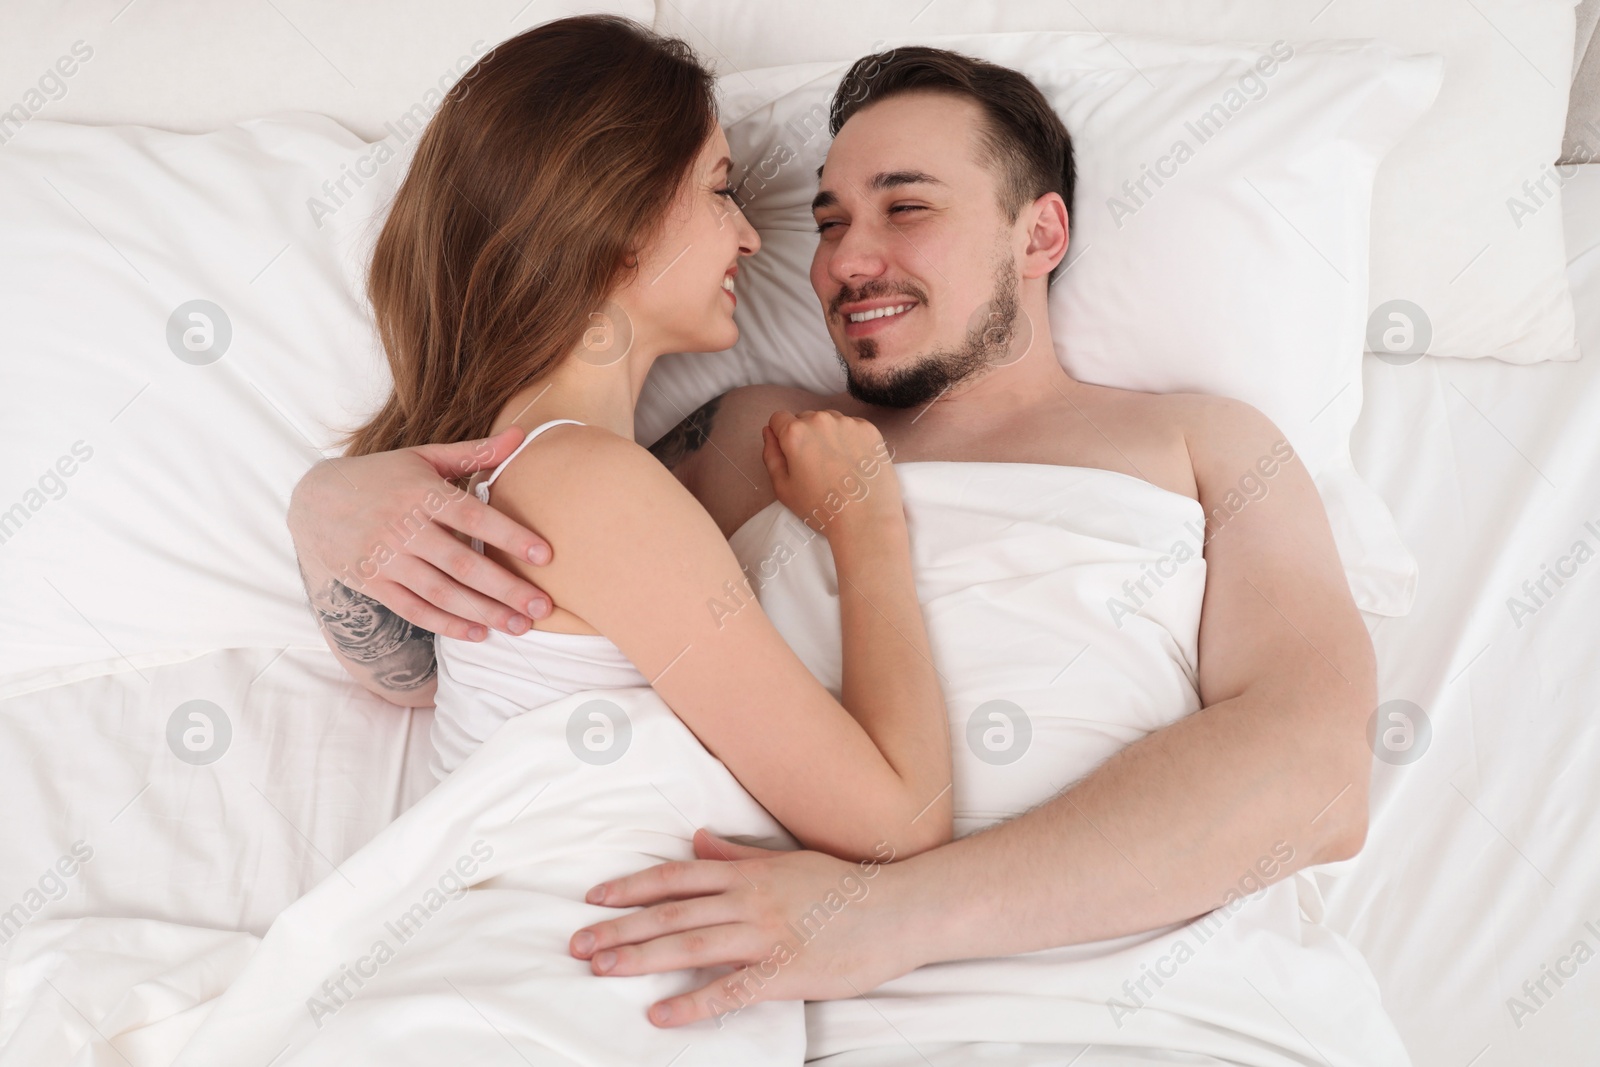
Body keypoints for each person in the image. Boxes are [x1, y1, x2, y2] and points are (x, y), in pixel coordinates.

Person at [290, 40, 1398, 1065]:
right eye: (825, 220)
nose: (842, 260)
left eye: (904, 207)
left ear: (1040, 233)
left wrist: (891, 916)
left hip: (1175, 1015)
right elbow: (470, 635)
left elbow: (1313, 774)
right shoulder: (738, 438)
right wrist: (333, 510)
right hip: (770, 1016)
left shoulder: (1204, 443)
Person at [299, 14, 955, 863]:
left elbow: (408, 680)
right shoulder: (589, 486)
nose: (752, 238)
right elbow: (899, 824)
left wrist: (318, 506)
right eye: (722, 191)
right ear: (617, 214)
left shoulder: (542, 469)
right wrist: (867, 526)